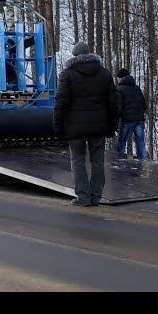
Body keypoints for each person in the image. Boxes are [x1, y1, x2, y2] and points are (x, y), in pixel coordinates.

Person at [53, 42, 119, 207]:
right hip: (98, 127)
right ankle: (96, 196)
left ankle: (83, 197)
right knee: (97, 161)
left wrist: (58, 127)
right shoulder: (104, 73)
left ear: (75, 56)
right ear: (89, 54)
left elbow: (61, 103)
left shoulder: (67, 74)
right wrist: (112, 126)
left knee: (78, 161)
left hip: (75, 127)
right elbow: (113, 102)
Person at [115, 68, 148, 160]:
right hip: (140, 120)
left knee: (122, 142)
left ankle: (119, 161)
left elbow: (118, 108)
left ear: (120, 78)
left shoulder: (119, 90)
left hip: (127, 120)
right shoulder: (137, 88)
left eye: (118, 78)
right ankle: (143, 161)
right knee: (140, 143)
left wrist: (116, 121)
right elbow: (144, 105)